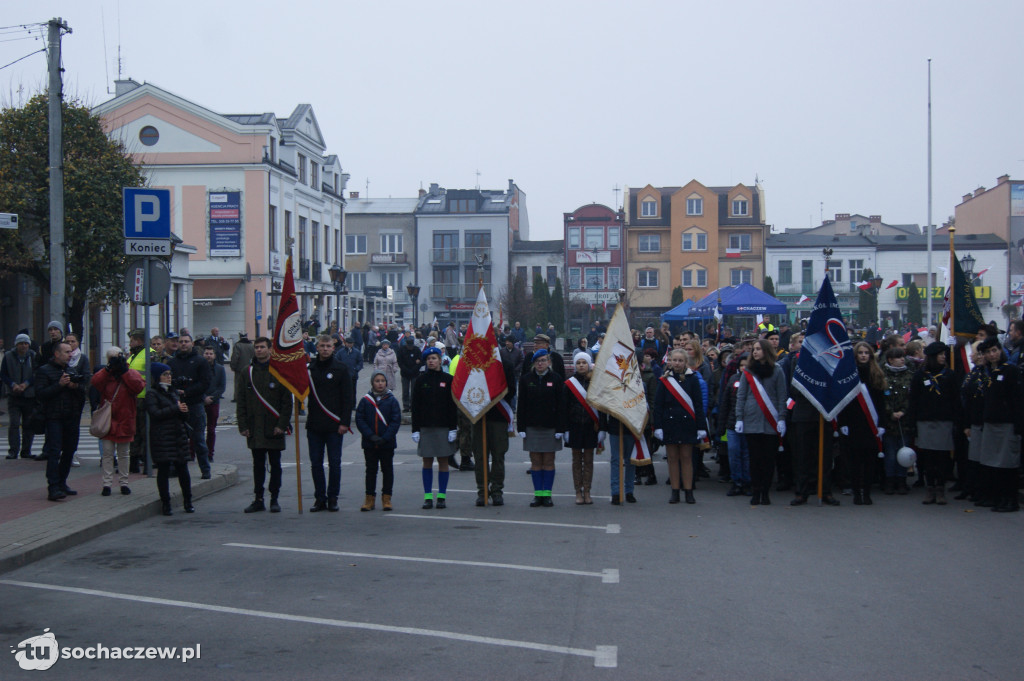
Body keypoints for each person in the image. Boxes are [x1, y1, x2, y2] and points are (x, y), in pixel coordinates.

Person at [237, 337, 293, 513]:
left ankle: (274, 498)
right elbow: (241, 401)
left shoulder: (279, 371)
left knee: (275, 465)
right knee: (258, 465)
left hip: (273, 426)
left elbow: (286, 402)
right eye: (257, 347)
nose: (259, 350)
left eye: (262, 347)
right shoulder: (247, 372)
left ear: (270, 349)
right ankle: (258, 498)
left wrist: (282, 425)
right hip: (255, 427)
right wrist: (243, 425)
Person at [734, 339, 787, 506]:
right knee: (755, 459)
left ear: (766, 351)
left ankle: (765, 492)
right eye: (754, 349)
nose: (755, 352)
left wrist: (782, 419)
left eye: (758, 349)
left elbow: (782, 396)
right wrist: (739, 418)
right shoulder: (748, 371)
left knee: (768, 460)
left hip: (771, 421)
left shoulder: (777, 370)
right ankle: (756, 492)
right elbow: (741, 396)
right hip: (751, 420)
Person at [34, 341, 87, 501]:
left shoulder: (70, 370)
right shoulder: (44, 371)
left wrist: (75, 387)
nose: (70, 354)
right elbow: (41, 394)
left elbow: (82, 394)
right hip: (54, 417)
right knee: (54, 452)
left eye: (71, 352)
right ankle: (53, 486)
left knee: (69, 451)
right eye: (66, 352)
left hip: (71, 417)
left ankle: (62, 482)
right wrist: (59, 385)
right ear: (57, 354)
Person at [837, 341, 888, 506]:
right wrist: (842, 422)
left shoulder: (877, 374)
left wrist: (881, 424)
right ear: (855, 355)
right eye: (860, 353)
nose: (864, 355)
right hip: (853, 422)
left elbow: (881, 403)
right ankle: (856, 492)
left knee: (869, 461)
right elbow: (844, 401)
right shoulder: (849, 374)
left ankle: (866, 492)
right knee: (854, 461)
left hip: (871, 423)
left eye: (867, 353)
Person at [306, 334, 354, 512]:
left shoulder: (340, 369)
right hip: (314, 424)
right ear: (316, 348)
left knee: (334, 463)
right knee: (316, 463)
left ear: (333, 348)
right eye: (321, 346)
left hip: (335, 425)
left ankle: (333, 497)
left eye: (328, 346)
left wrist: (345, 422)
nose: (325, 349)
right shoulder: (310, 368)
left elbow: (348, 398)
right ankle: (320, 498)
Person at [653, 348, 706, 504]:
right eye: (674, 360)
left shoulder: (693, 379)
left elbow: (698, 404)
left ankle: (688, 491)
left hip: (687, 423)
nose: (677, 363)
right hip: (670, 423)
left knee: (686, 458)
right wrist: (658, 427)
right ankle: (675, 491)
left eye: (680, 360)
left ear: (685, 362)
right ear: (670, 361)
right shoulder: (664, 380)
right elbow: (658, 405)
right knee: (672, 458)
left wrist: (701, 426)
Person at [908, 342, 957, 505]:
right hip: (925, 421)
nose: (944, 357)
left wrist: (958, 421)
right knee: (928, 457)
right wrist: (912, 423)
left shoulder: (949, 375)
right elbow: (913, 400)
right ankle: (930, 489)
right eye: (940, 354)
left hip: (944, 421)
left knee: (942, 457)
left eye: (944, 354)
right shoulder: (920, 376)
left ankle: (940, 489)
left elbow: (955, 400)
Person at [976, 337, 1022, 512]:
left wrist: (1018, 424)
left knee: (1007, 464)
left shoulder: (1011, 371)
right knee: (992, 463)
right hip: (990, 423)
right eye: (988, 352)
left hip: (1007, 423)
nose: (992, 354)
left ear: (1000, 350)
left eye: (994, 350)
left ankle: (1010, 499)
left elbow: (1017, 399)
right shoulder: (987, 372)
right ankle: (996, 497)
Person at [91, 347, 145, 496]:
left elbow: (138, 387)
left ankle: (124, 482)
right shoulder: (106, 375)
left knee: (124, 454)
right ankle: (107, 484)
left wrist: (124, 371)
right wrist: (107, 370)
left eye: (117, 357)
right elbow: (95, 382)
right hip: (109, 420)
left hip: (125, 418)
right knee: (107, 454)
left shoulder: (130, 373)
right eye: (111, 358)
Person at [410, 348, 458, 509]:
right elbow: (415, 406)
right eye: (429, 358)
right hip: (426, 427)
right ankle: (428, 496)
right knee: (427, 461)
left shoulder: (449, 379)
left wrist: (453, 428)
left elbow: (453, 406)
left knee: (443, 461)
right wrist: (415, 429)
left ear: (440, 360)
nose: (431, 361)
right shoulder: (420, 380)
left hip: (444, 427)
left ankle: (442, 496)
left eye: (434, 358)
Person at [518, 349, 566, 507]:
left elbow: (561, 406)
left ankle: (547, 495)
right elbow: (521, 405)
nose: (540, 363)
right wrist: (521, 426)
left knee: (549, 461)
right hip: (532, 427)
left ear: (549, 362)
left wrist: (560, 428)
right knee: (536, 461)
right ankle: (538, 494)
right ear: (533, 363)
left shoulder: (557, 379)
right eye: (537, 361)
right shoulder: (526, 379)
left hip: (551, 427)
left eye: (543, 360)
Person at [145, 362, 195, 515]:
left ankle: (188, 501)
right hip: (162, 437)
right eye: (165, 374)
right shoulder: (152, 393)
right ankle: (165, 503)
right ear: (156, 377)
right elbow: (155, 413)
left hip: (178, 435)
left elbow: (183, 416)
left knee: (183, 469)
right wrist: (175, 408)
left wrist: (184, 411)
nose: (168, 377)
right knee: (164, 470)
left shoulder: (174, 392)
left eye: (169, 374)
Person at [168, 334, 213, 479]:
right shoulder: (172, 362)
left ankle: (205, 469)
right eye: (181, 342)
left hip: (195, 405)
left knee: (198, 439)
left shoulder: (200, 361)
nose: (183, 344)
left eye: (186, 342)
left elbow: (205, 383)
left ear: (192, 343)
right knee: (176, 439)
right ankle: (176, 468)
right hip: (177, 405)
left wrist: (187, 391)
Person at [356, 371, 402, 511]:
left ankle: (386, 498)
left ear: (386, 383)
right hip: (370, 442)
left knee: (387, 470)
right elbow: (360, 419)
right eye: (377, 380)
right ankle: (369, 498)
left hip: (386, 443)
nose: (380, 383)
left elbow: (395, 421)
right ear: (372, 383)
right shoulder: (365, 400)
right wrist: (371, 436)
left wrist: (385, 437)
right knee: (371, 470)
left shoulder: (392, 400)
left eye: (382, 380)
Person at [564, 352, 602, 505]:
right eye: (578, 362)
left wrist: (602, 429)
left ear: (588, 364)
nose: (581, 365)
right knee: (576, 460)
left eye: (584, 362)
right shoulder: (569, 384)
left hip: (590, 427)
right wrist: (565, 428)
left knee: (588, 460)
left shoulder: (596, 382)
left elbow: (601, 407)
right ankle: (577, 491)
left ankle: (587, 490)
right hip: (574, 426)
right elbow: (564, 408)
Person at [881, 346, 914, 495]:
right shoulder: (882, 376)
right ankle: (889, 480)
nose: (902, 360)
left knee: (904, 451)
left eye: (903, 357)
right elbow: (881, 397)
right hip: (889, 422)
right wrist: (890, 412)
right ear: (890, 360)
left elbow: (911, 397)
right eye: (899, 357)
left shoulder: (909, 375)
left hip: (904, 421)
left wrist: (903, 411)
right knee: (890, 453)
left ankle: (902, 480)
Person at [2, 333, 38, 459]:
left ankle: (26, 450)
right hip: (14, 395)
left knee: (28, 424)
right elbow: (4, 374)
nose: (23, 346)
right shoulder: (8, 356)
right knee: (14, 423)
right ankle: (13, 450)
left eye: (26, 343)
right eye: (21, 343)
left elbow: (36, 373)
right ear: (16, 345)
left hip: (29, 395)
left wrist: (26, 384)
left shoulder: (33, 356)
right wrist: (13, 385)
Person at [126, 329, 151, 473]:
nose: (130, 343)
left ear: (139, 340)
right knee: (134, 432)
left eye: (132, 340)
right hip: (133, 398)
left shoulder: (150, 353)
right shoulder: (133, 354)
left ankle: (146, 461)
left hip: (144, 398)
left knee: (145, 432)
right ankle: (133, 462)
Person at [202, 346, 226, 461]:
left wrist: (212, 397)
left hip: (214, 401)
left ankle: (210, 453)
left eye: (211, 353)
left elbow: (222, 387)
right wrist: (203, 397)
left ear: (214, 355)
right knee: (197, 429)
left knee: (211, 429)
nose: (208, 356)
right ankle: (193, 453)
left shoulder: (220, 369)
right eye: (206, 353)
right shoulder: (199, 368)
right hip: (200, 401)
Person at [396, 335, 421, 412]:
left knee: (414, 391)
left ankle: (413, 405)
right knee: (405, 391)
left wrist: (414, 369)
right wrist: (406, 370)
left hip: (415, 373)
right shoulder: (401, 350)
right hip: (405, 373)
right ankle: (406, 406)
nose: (410, 347)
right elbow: (400, 362)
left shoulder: (417, 350)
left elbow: (420, 361)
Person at [229, 332, 255, 402]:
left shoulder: (237, 345)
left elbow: (235, 357)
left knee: (238, 383)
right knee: (248, 382)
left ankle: (237, 397)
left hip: (239, 368)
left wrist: (233, 366)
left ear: (240, 337)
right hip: (249, 367)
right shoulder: (251, 345)